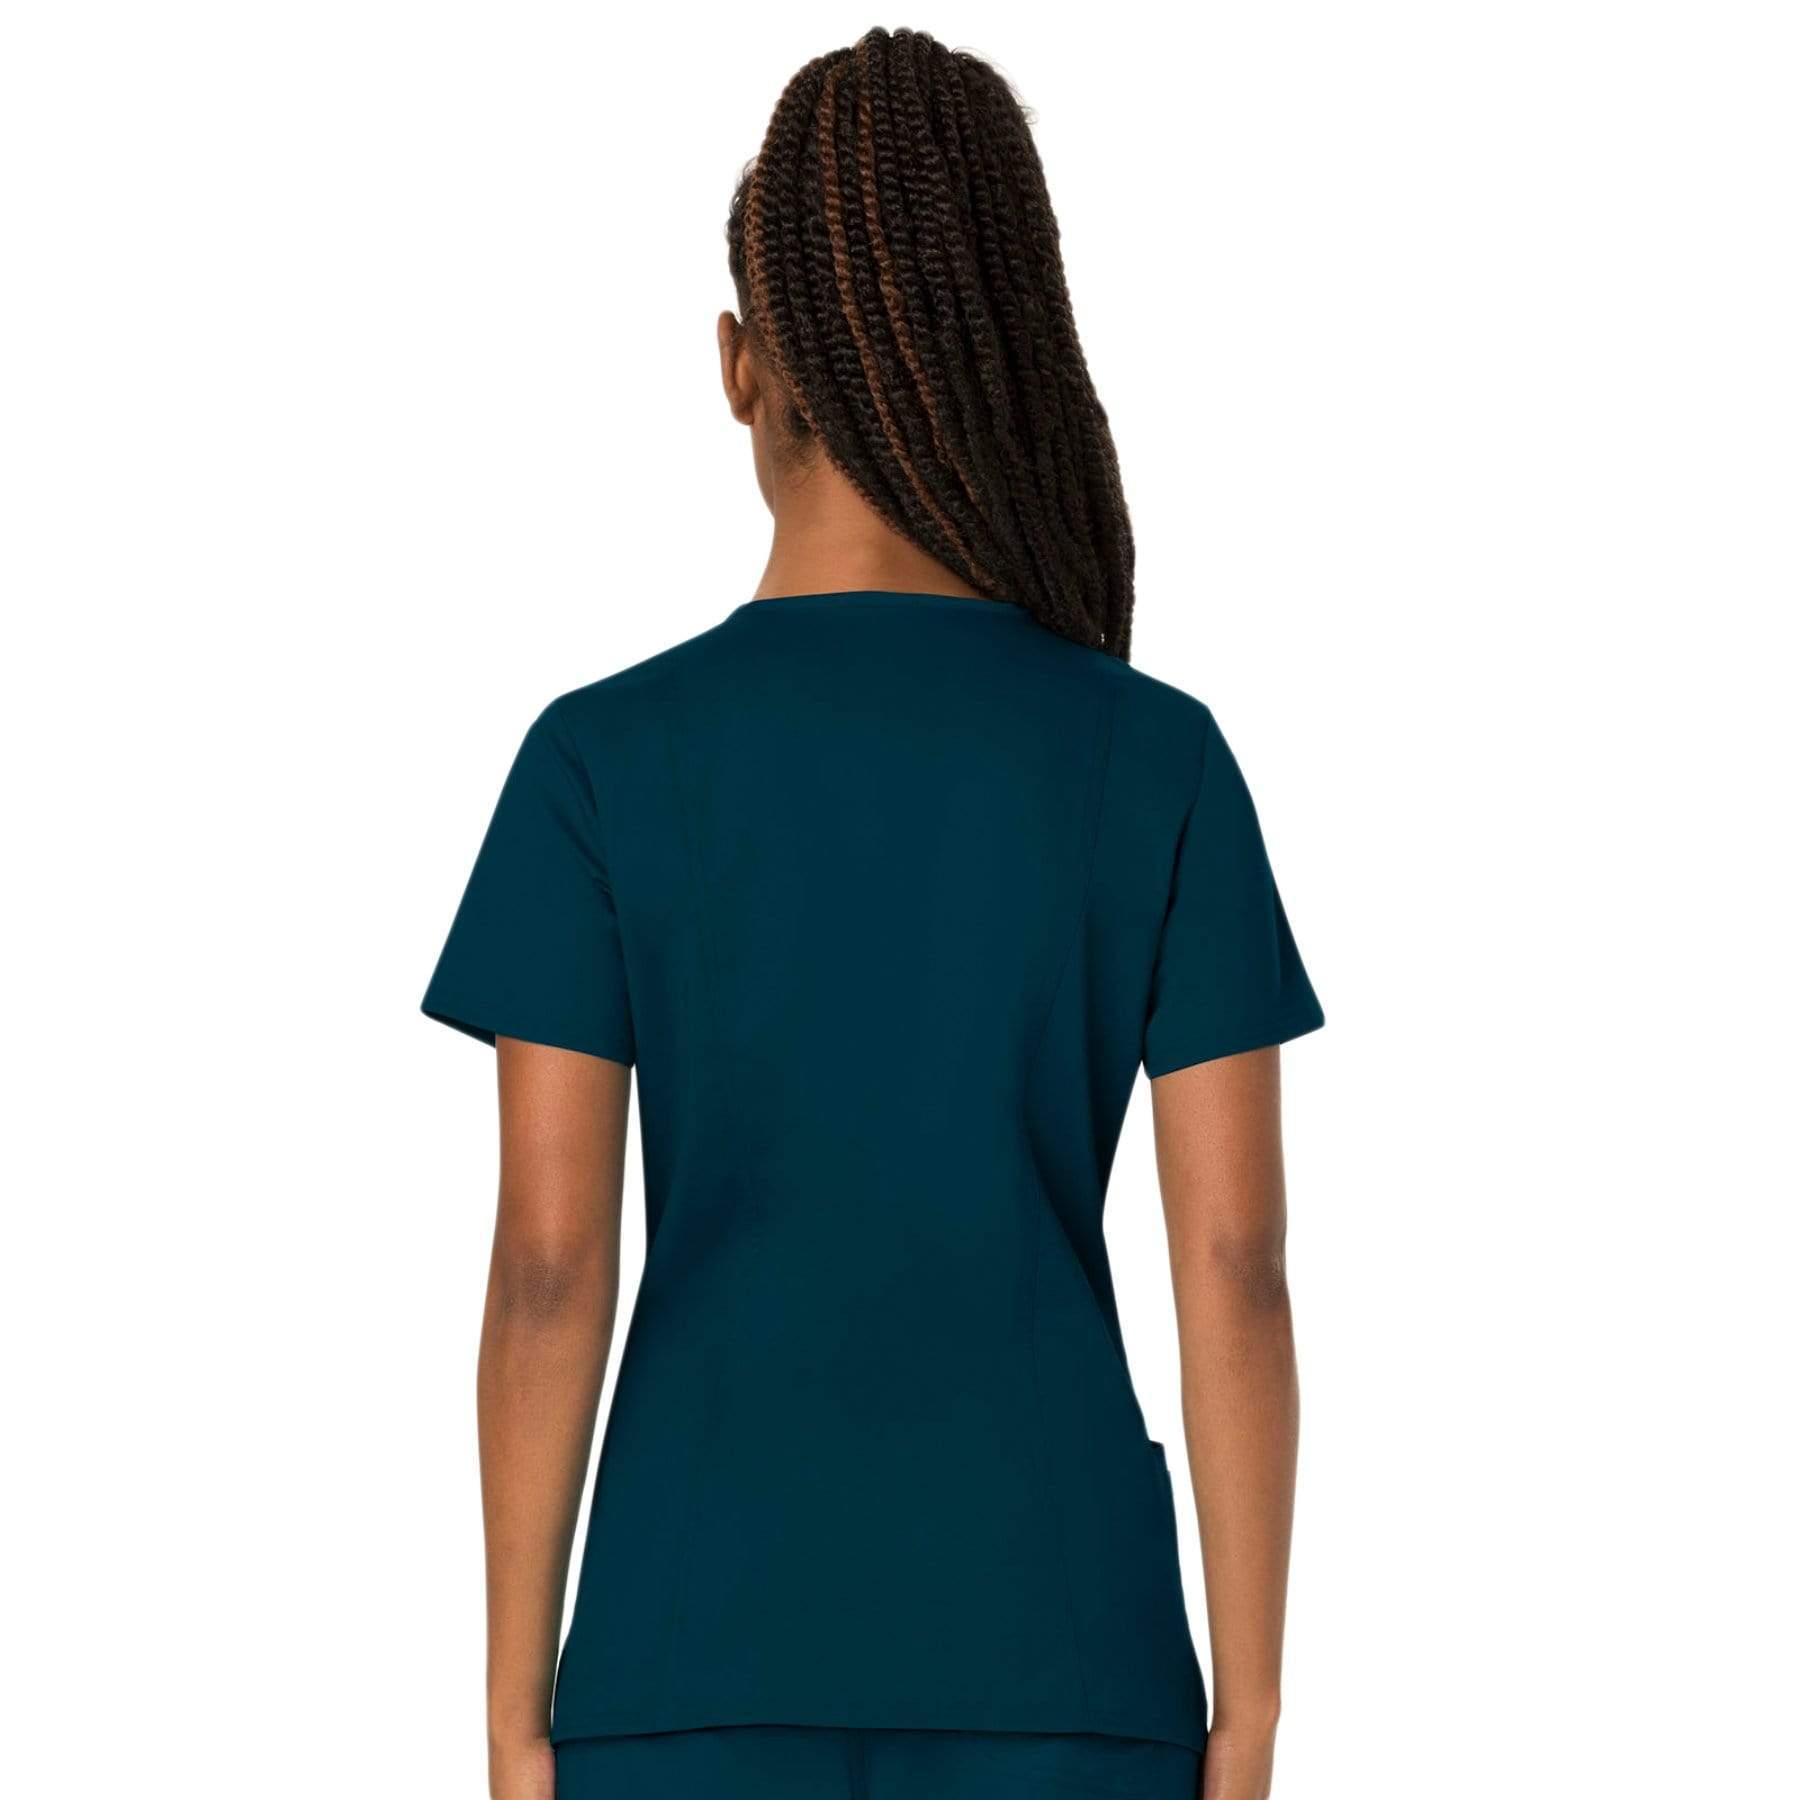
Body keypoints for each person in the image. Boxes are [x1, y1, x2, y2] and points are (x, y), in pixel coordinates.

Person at [423, 27, 1324, 1800]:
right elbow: (1235, 1265)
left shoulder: (600, 763)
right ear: (1014, 356)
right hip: (1072, 1660)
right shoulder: (1155, 761)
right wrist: (1253, 1711)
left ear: (739, 369)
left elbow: (547, 1267)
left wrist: (517, 1715)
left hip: (685, 1658)